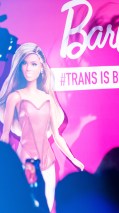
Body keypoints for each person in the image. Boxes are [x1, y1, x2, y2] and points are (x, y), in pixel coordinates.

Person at [0, 43, 84, 211]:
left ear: (42, 68)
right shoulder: (14, 97)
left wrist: (74, 159)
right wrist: (7, 163)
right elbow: (5, 135)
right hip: (23, 161)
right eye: (24, 63)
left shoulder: (48, 99)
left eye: (33, 64)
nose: (28, 68)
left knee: (47, 207)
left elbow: (56, 135)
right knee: (22, 206)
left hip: (48, 161)